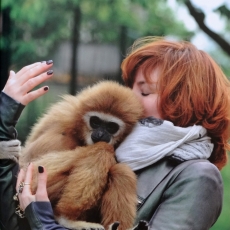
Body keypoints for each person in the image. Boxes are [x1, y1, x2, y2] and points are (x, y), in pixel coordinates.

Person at [1, 37, 230, 230]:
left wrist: (48, 226)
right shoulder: (117, 144)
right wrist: (3, 130)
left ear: (182, 103)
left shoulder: (197, 177)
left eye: (145, 91)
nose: (131, 99)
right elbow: (14, 214)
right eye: (132, 87)